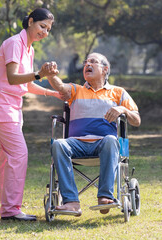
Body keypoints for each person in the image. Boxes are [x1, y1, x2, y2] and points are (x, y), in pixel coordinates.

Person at [0, 8, 63, 222]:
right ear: (31, 22)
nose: (45, 32)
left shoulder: (29, 48)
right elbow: (13, 77)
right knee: (19, 154)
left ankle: (8, 210)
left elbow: (27, 84)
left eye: (48, 29)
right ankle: (11, 210)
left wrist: (53, 92)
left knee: (8, 158)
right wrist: (40, 73)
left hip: (11, 107)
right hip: (1, 106)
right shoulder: (15, 42)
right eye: (42, 26)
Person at [46, 52, 141, 216]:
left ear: (105, 69)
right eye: (85, 62)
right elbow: (60, 87)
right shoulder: (76, 90)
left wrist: (122, 109)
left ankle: (105, 197)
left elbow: (136, 120)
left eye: (93, 62)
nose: (87, 65)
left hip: (104, 145)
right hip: (76, 145)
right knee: (59, 144)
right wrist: (50, 76)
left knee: (111, 140)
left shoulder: (118, 92)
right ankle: (71, 202)